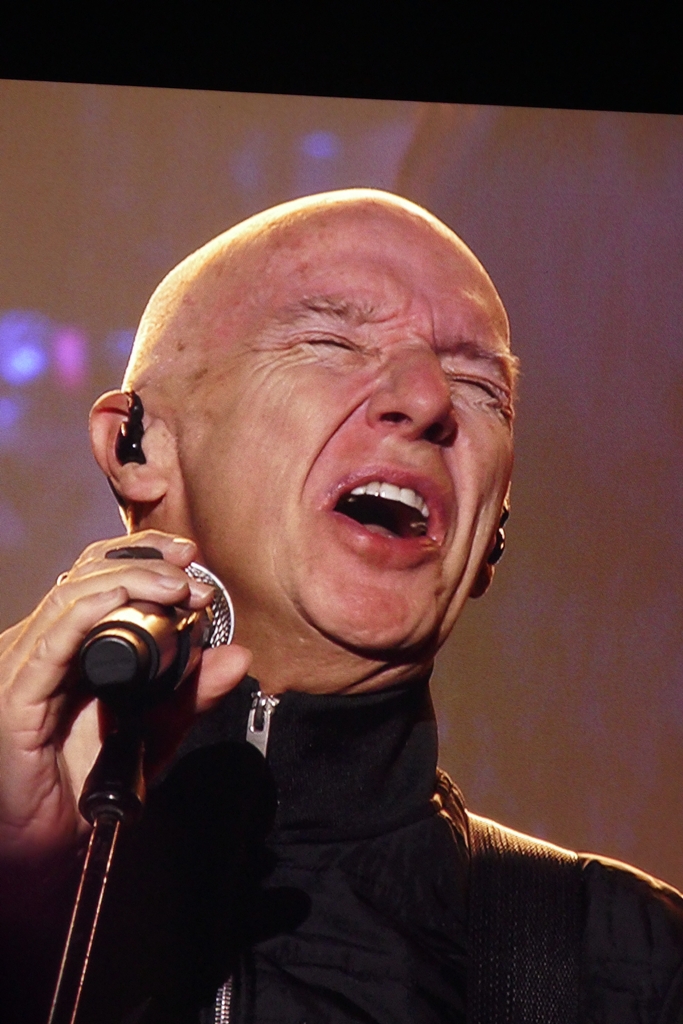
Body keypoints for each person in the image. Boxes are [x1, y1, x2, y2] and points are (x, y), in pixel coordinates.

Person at [0, 189, 682, 1023]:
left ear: (492, 530)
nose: (426, 401)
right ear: (135, 446)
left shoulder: (627, 969)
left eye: (478, 386)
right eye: (329, 342)